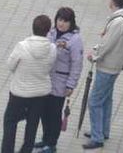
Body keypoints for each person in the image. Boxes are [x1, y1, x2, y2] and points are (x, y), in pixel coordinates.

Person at [82, 0, 123, 150]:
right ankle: (103, 131)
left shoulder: (117, 23)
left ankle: (97, 137)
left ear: (113, 2)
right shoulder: (121, 19)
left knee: (95, 101)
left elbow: (108, 44)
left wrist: (94, 56)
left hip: (108, 67)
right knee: (106, 99)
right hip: (114, 65)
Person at [1, 15, 54, 153]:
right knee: (32, 125)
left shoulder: (22, 46)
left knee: (10, 122)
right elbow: (50, 67)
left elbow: (10, 65)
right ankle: (26, 150)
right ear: (48, 30)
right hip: (41, 94)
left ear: (33, 27)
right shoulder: (52, 48)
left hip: (19, 92)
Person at [39, 8, 84, 153]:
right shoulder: (51, 33)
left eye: (65, 21)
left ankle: (52, 144)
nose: (61, 24)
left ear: (71, 23)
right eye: (59, 19)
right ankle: (45, 139)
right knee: (44, 112)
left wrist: (71, 85)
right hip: (46, 80)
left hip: (60, 83)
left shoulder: (75, 40)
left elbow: (77, 64)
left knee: (54, 113)